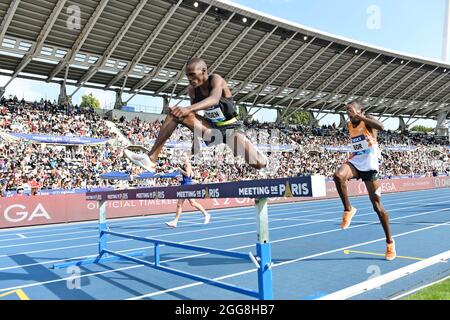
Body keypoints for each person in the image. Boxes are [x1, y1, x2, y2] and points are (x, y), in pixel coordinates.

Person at [124, 57, 268, 172]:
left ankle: (259, 154)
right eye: (187, 75)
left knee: (258, 164)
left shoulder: (216, 80)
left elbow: (214, 100)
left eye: (193, 74)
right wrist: (195, 140)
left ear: (204, 71)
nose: (190, 79)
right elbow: (195, 114)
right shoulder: (192, 90)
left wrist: (188, 108)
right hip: (211, 129)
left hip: (232, 129)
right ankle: (151, 159)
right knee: (176, 114)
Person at [333, 101, 396, 261]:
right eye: (347, 110)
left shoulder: (366, 118)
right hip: (357, 161)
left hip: (370, 165)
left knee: (377, 207)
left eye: (351, 109)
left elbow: (381, 127)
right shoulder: (349, 125)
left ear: (360, 110)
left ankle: (389, 242)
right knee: (338, 176)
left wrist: (360, 116)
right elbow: (358, 145)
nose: (348, 112)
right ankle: (348, 209)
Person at [166, 152, 210, 228]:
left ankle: (206, 214)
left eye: (184, 156)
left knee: (192, 203)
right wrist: (179, 177)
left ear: (187, 157)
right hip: (183, 185)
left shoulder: (188, 164)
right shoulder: (183, 165)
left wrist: (180, 170)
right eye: (182, 156)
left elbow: (188, 174)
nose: (182, 157)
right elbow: (184, 176)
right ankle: (175, 222)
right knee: (179, 204)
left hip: (187, 186)